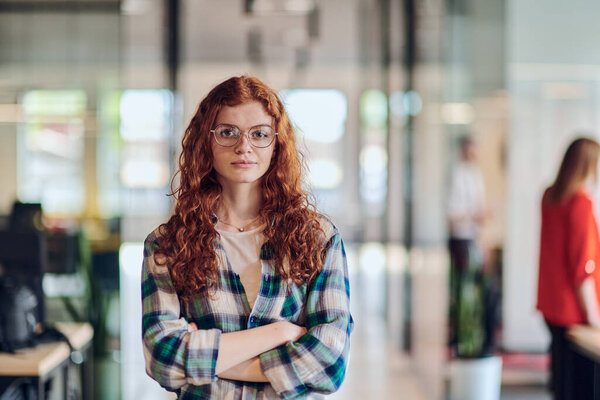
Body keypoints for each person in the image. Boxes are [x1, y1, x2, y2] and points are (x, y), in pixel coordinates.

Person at [141, 75, 353, 399]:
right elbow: (162, 357)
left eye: (260, 134)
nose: (244, 146)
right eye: (228, 132)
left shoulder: (319, 239)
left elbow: (330, 362)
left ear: (276, 143)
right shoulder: (168, 245)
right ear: (206, 142)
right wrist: (280, 333)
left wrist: (207, 360)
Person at [537, 137, 600, 400]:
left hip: (551, 306)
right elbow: (582, 270)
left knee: (562, 383)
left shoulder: (550, 197)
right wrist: (595, 321)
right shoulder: (579, 205)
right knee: (580, 387)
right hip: (573, 312)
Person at [446, 135, 492, 355]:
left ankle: (471, 339)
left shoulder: (476, 175)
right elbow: (452, 215)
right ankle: (460, 338)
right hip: (459, 239)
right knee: (462, 292)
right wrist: (475, 216)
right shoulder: (457, 175)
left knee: (476, 293)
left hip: (472, 239)